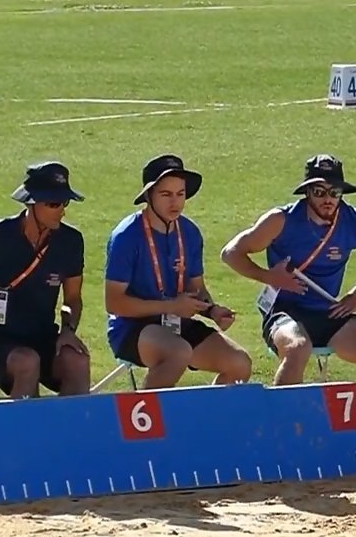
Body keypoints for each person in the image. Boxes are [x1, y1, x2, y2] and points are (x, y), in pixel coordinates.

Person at [220, 153, 356, 385]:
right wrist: (269, 276)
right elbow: (230, 253)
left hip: (328, 311)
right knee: (298, 347)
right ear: (307, 192)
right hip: (283, 312)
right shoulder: (280, 220)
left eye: (334, 192)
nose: (327, 199)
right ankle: (283, 420)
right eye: (319, 192)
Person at [0, 161, 92, 399]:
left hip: (42, 337)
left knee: (77, 360)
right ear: (31, 203)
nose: (62, 210)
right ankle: (25, 434)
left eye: (65, 202)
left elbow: (72, 299)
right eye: (54, 203)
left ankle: (70, 432)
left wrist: (68, 329)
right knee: (27, 362)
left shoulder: (71, 241)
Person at [104, 154, 251, 390]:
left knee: (239, 363)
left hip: (175, 320)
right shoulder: (126, 236)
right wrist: (171, 306)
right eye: (166, 195)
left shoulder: (190, 232)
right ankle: (144, 423)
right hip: (131, 327)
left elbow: (197, 289)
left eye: (180, 194)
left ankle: (205, 422)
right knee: (178, 352)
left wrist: (212, 310)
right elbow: (114, 303)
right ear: (148, 195)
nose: (175, 203)